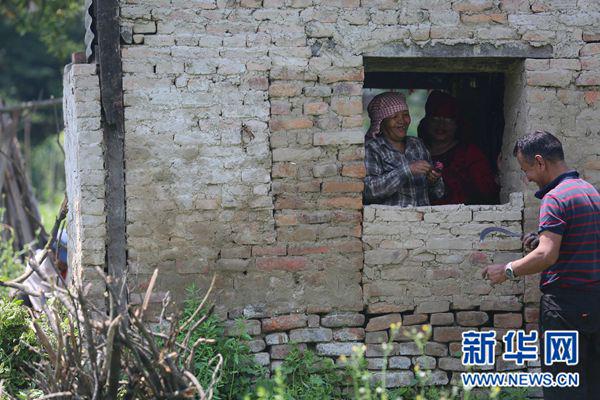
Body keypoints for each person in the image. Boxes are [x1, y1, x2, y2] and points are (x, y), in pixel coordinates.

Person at [481, 131, 600, 399]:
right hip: (594, 304)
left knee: (563, 387)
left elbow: (547, 255)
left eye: (526, 170)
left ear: (540, 162)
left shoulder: (555, 198)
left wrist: (507, 270)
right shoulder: (589, 191)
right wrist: (542, 239)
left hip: (566, 311)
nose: (528, 178)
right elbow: (582, 241)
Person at [418, 90, 499, 205]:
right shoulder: (416, 152)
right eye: (436, 118)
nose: (441, 125)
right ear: (427, 122)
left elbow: (487, 190)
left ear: (457, 124)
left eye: (448, 119)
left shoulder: (469, 154)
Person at [363, 91, 444, 206]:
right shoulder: (371, 149)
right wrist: (406, 170)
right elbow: (368, 192)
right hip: (389, 218)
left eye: (405, 114)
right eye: (394, 116)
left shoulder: (418, 145)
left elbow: (438, 194)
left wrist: (434, 181)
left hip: (423, 217)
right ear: (380, 122)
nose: (402, 121)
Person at [13, 231, 68, 311]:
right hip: (37, 303)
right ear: (51, 252)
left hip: (58, 302)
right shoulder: (40, 265)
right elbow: (41, 301)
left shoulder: (68, 265)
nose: (65, 264)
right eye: (62, 260)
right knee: (21, 296)